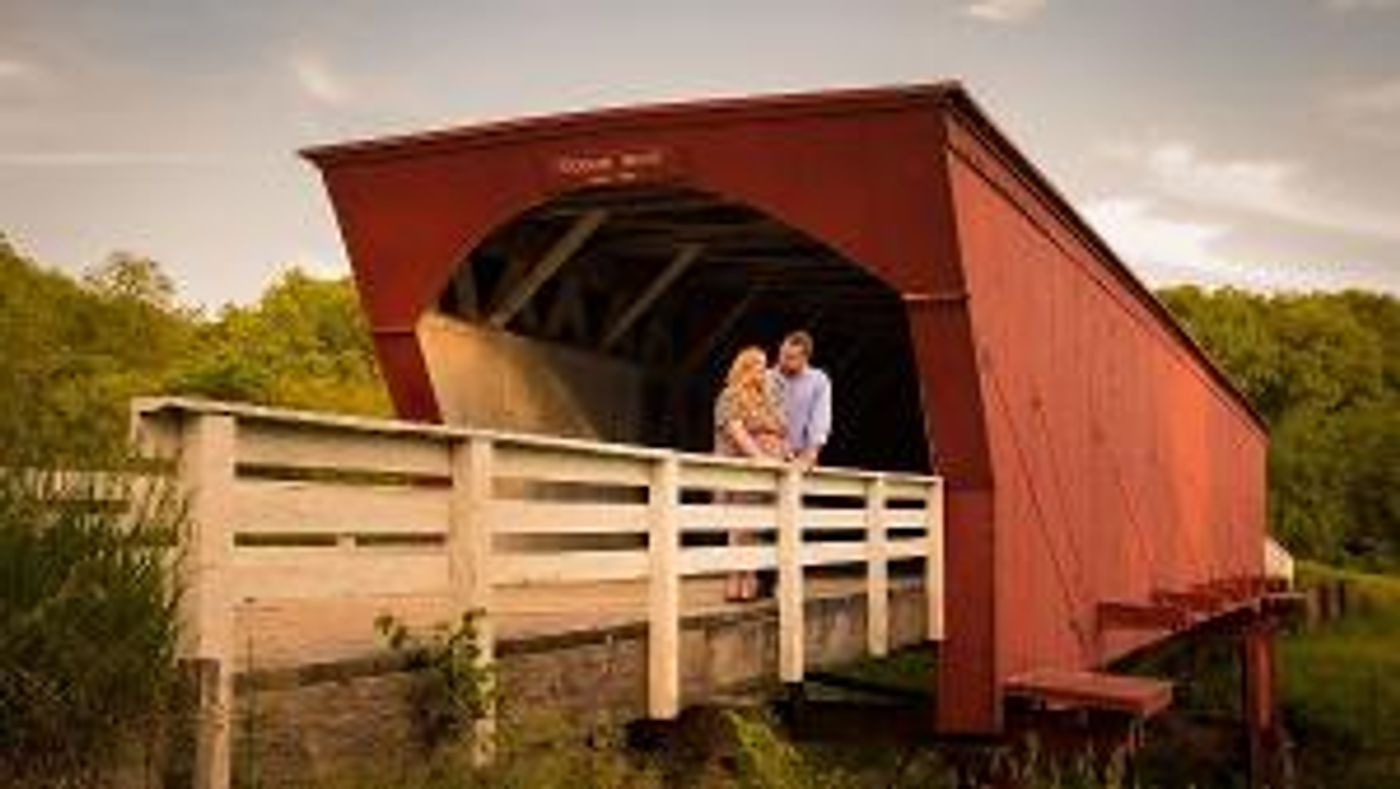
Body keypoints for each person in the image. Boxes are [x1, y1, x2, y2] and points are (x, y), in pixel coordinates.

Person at [714, 346, 786, 601]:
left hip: (761, 474)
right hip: (740, 469)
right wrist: (761, 458)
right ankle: (735, 582)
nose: (764, 372)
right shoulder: (730, 396)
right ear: (745, 368)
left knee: (753, 528)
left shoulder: (764, 400)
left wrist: (780, 455)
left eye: (765, 366)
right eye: (759, 366)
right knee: (739, 529)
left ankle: (749, 582)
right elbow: (736, 431)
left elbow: (780, 429)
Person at [770, 331, 831, 471]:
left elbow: (820, 421)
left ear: (805, 358)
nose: (783, 361)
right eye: (782, 355)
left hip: (800, 453)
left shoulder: (818, 381)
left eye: (790, 358)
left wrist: (810, 454)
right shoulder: (767, 377)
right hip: (769, 451)